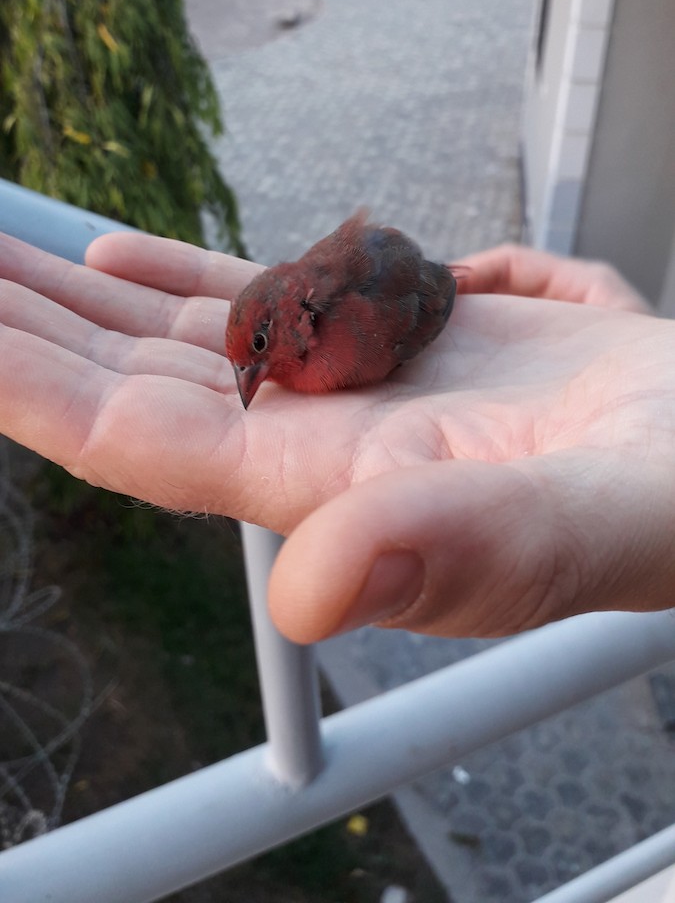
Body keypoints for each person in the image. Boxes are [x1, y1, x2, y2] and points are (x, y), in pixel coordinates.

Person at [0, 229, 672, 646]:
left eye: (256, 349)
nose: (251, 375)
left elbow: (434, 295)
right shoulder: (298, 336)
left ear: (297, 315)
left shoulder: (369, 332)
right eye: (244, 363)